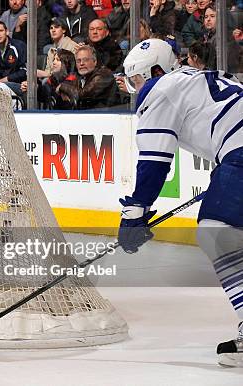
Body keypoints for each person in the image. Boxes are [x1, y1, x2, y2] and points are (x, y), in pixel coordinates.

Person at [117, 38, 243, 367]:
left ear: (155, 71)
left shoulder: (159, 90)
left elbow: (154, 163)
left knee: (216, 231)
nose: (136, 89)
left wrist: (135, 213)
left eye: (137, 80)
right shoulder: (196, 78)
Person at [56, 45, 118, 109]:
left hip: (106, 115)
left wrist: (62, 87)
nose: (81, 63)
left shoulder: (104, 74)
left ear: (95, 61)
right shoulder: (80, 76)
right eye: (78, 61)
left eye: (85, 60)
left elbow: (84, 94)